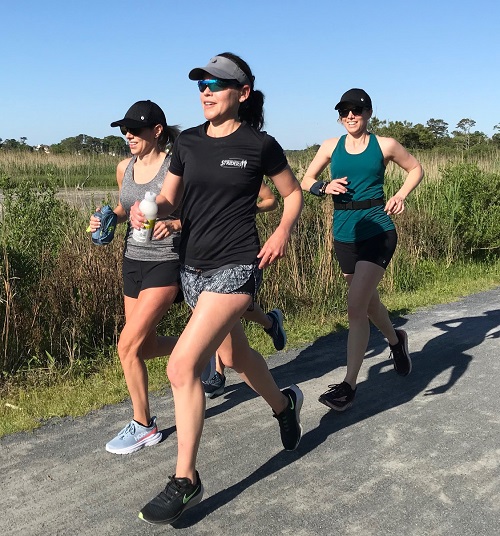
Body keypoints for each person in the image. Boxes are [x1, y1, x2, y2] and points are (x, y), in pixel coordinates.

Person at [132, 52, 304, 525]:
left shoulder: (259, 145)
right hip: (193, 267)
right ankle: (284, 404)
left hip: (237, 265)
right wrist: (150, 208)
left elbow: (291, 193)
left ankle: (185, 479)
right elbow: (169, 196)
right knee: (234, 357)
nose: (206, 90)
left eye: (217, 83)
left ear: (242, 93)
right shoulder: (186, 143)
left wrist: (282, 232)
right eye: (201, 83)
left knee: (183, 364)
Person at [300, 88, 424, 412]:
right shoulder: (330, 146)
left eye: (357, 110)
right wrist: (323, 187)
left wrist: (401, 195)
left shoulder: (385, 145)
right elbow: (305, 179)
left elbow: (416, 169)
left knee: (355, 306)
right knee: (368, 303)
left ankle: (348, 386)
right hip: (343, 233)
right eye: (344, 111)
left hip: (378, 229)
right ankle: (396, 341)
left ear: (368, 113)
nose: (350, 115)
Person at [88, 100, 181, 454]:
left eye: (136, 130)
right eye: (125, 129)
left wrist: (173, 223)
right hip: (132, 261)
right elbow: (128, 209)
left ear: (157, 131)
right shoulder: (123, 167)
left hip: (165, 261)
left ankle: (144, 425)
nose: (128, 135)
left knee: (125, 346)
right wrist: (107, 218)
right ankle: (199, 352)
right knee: (144, 346)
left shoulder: (176, 168)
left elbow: (197, 215)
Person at [202, 181, 287, 399]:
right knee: (221, 310)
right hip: (207, 250)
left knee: (230, 309)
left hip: (239, 247)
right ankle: (271, 323)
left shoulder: (244, 165)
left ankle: (218, 374)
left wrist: (253, 208)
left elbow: (271, 200)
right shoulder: (195, 163)